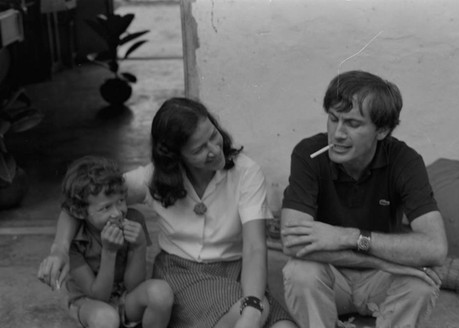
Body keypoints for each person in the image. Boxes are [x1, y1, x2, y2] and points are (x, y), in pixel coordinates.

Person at [38, 97, 297, 328]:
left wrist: (253, 304)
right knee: (238, 318)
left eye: (213, 135)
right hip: (182, 273)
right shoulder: (154, 178)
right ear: (175, 156)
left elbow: (254, 247)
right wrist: (59, 250)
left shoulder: (245, 172)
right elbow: (81, 202)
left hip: (238, 270)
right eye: (198, 149)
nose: (214, 150)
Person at [280, 70, 448, 328]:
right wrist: (380, 259)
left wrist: (347, 237)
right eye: (333, 119)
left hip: (382, 281)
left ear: (382, 130)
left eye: (353, 124)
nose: (337, 134)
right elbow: (292, 243)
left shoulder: (405, 160)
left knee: (419, 285)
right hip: (333, 277)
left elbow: (435, 247)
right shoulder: (309, 154)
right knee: (299, 271)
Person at [46, 155, 173, 328]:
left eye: (121, 201)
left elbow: (134, 285)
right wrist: (109, 252)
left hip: (125, 295)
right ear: (80, 213)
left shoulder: (134, 220)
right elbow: (99, 296)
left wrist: (139, 246)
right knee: (106, 319)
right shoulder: (76, 241)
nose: (117, 213)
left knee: (161, 293)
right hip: (89, 302)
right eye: (105, 207)